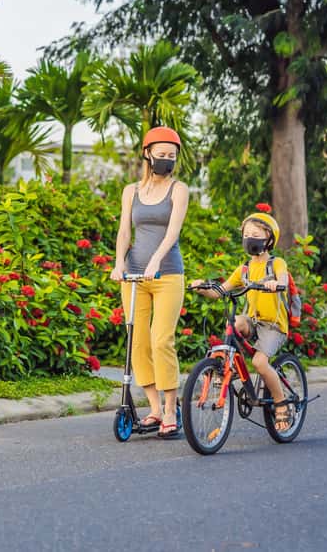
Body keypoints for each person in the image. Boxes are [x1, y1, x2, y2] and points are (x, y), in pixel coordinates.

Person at [110, 126, 189, 439]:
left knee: (161, 339)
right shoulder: (131, 191)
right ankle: (155, 409)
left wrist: (155, 260)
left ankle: (172, 409)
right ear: (147, 154)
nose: (166, 159)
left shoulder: (178, 190)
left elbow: (173, 232)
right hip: (133, 277)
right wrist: (119, 263)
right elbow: (124, 232)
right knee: (138, 342)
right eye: (161, 154)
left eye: (172, 155)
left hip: (167, 274)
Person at [190, 211, 293, 432]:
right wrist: (202, 288)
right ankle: (228, 366)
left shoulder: (276, 263)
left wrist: (276, 283)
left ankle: (281, 401)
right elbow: (220, 291)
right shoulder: (244, 269)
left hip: (273, 325)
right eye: (246, 234)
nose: (250, 238)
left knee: (259, 364)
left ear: (269, 238)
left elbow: (283, 277)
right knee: (236, 322)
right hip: (253, 321)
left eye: (255, 234)